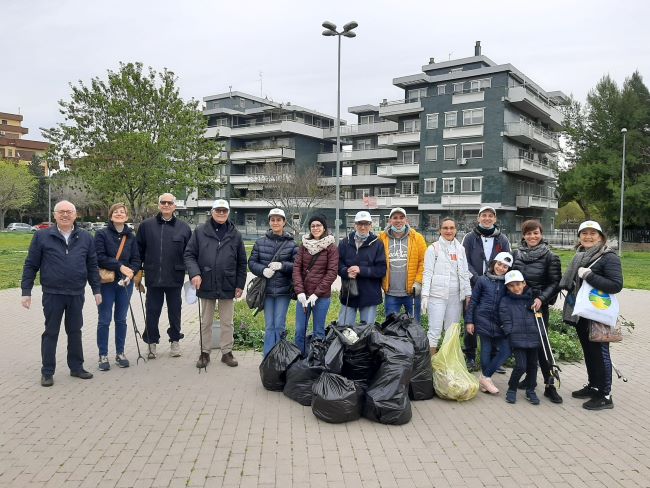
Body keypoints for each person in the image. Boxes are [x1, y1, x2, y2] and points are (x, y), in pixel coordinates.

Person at [21, 200, 101, 387]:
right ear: (55, 215)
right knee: (51, 332)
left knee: (75, 331)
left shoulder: (86, 237)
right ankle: (47, 372)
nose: (65, 215)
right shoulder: (42, 236)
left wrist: (96, 290)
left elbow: (92, 265)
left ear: (75, 215)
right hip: (52, 293)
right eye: (61, 212)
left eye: (69, 212)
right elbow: (31, 264)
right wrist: (26, 291)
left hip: (76, 293)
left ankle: (76, 367)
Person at [559, 220, 623, 410]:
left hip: (598, 313)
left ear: (601, 237)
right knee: (589, 351)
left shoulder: (609, 257)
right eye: (584, 233)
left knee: (600, 352)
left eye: (592, 233)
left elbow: (616, 285)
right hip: (581, 313)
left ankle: (605, 395)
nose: (588, 236)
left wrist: (589, 276)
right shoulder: (580, 256)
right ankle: (594, 386)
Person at [184, 199, 247, 368]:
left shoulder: (235, 234)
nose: (221, 213)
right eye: (218, 210)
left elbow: (242, 262)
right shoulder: (200, 231)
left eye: (224, 211)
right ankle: (205, 353)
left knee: (228, 321)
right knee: (206, 321)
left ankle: (227, 353)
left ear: (228, 213)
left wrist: (240, 284)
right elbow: (189, 255)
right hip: (206, 282)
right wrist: (195, 273)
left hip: (228, 282)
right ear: (211, 212)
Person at [512, 220, 563, 403]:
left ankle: (550, 385)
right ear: (523, 235)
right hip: (520, 306)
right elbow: (511, 278)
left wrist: (541, 298)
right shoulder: (516, 253)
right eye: (528, 233)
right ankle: (530, 379)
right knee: (525, 343)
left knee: (543, 345)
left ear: (541, 234)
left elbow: (555, 283)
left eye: (536, 233)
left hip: (538, 306)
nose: (532, 237)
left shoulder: (551, 256)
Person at [137, 193, 191, 359]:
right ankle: (151, 343)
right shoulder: (146, 226)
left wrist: (194, 274)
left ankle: (175, 341)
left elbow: (190, 253)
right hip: (153, 277)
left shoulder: (184, 227)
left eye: (170, 203)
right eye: (163, 202)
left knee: (175, 312)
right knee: (152, 311)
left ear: (175, 206)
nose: (166, 205)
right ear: (159, 204)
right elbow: (138, 252)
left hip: (175, 277)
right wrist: (137, 273)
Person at [462, 205, 511, 371]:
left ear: (495, 219)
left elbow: (507, 261)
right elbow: (464, 261)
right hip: (474, 285)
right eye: (484, 215)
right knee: (471, 319)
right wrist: (477, 278)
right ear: (478, 218)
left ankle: (493, 358)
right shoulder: (469, 238)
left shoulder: (502, 239)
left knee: (494, 320)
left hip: (495, 286)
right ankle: (469, 355)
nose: (487, 218)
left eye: (491, 215)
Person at [94, 203, 142, 371]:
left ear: (126, 216)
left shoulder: (131, 237)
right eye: (116, 212)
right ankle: (103, 355)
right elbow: (99, 257)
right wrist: (120, 266)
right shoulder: (101, 234)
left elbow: (136, 259)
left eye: (122, 212)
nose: (119, 214)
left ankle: (120, 353)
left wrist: (131, 274)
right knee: (104, 319)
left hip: (125, 284)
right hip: (107, 283)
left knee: (121, 319)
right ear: (111, 215)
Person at [248, 208, 298, 356]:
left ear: (284, 222)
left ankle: (280, 356)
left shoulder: (291, 244)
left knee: (279, 325)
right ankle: (268, 357)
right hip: (267, 291)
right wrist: (262, 270)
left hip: (283, 291)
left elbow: (297, 266)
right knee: (270, 325)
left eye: (279, 220)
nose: (275, 222)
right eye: (273, 220)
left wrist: (282, 266)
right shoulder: (260, 242)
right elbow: (251, 263)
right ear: (269, 222)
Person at [420, 217, 472, 355]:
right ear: (440, 230)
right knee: (434, 330)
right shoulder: (433, 249)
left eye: (451, 228)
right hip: (437, 296)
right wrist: (425, 295)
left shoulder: (461, 249)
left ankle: (448, 362)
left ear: (456, 230)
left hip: (456, 297)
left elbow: (465, 273)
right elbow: (427, 273)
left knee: (452, 331)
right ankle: (431, 363)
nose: (448, 231)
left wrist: (468, 295)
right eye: (445, 228)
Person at [465, 252, 513, 395]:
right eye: (499, 264)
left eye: (505, 266)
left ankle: (485, 377)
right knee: (485, 350)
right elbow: (473, 301)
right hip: (483, 320)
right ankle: (487, 379)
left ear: (509, 269)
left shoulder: (508, 283)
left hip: (500, 323)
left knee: (506, 350)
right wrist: (469, 321)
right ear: (493, 264)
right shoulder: (482, 280)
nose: (501, 268)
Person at [293, 214, 339, 355]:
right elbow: (297, 269)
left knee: (318, 331)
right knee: (300, 330)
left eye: (318, 225)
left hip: (321, 297)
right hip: (303, 296)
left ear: (324, 227)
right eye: (313, 226)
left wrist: (316, 294)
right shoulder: (304, 246)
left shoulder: (331, 248)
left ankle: (317, 361)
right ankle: (300, 360)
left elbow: (331, 273)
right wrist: (300, 292)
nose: (315, 228)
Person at [500, 270, 542, 405]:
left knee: (533, 366)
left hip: (533, 337)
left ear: (524, 284)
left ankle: (531, 390)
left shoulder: (532, 300)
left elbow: (539, 316)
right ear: (507, 287)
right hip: (517, 339)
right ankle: (512, 388)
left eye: (518, 284)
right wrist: (509, 332)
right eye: (511, 286)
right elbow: (505, 320)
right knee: (521, 366)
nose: (515, 288)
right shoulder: (505, 301)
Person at [337, 211, 386, 326]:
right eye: (360, 224)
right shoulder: (344, 242)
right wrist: (345, 272)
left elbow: (381, 269)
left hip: (370, 293)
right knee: (344, 329)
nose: (363, 227)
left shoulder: (378, 244)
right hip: (349, 292)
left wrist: (361, 270)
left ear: (371, 225)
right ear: (355, 225)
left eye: (366, 224)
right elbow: (338, 264)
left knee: (367, 331)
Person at [378, 207, 426, 323]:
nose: (398, 220)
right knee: (390, 326)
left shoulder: (417, 238)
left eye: (401, 217)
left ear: (406, 220)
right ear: (390, 221)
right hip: (391, 293)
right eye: (395, 218)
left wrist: (418, 282)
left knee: (414, 326)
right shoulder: (381, 238)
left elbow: (424, 261)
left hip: (412, 292)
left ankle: (413, 342)